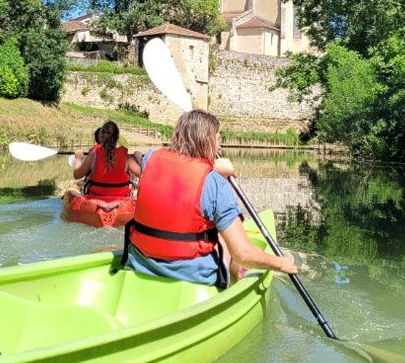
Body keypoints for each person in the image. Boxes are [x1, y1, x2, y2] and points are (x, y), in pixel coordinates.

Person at [117, 110, 297, 288]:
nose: (219, 147)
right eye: (218, 139)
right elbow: (243, 253)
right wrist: (281, 263)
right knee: (224, 237)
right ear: (208, 141)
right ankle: (235, 282)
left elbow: (138, 161)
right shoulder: (216, 184)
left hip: (140, 264)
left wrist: (212, 167)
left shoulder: (150, 161)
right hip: (192, 276)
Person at [72, 121, 142, 209]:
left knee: (74, 191)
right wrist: (138, 158)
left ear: (101, 137)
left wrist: (78, 159)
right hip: (121, 200)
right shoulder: (126, 157)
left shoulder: (93, 155)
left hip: (96, 198)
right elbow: (143, 175)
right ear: (117, 137)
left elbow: (77, 175)